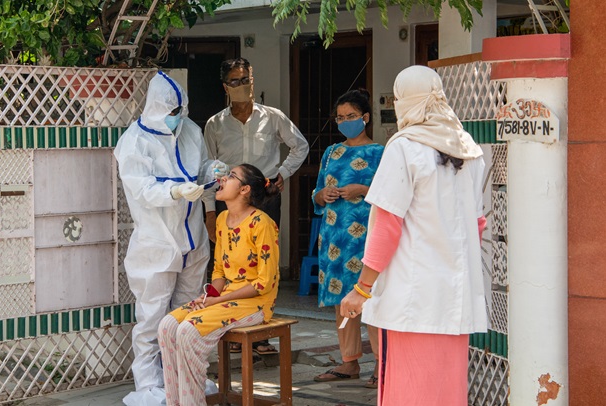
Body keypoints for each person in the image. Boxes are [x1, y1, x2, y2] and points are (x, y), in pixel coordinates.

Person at [340, 65, 488, 405]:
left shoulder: (404, 148)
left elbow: (387, 226)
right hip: (454, 296)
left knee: (408, 390)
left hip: (411, 297)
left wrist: (362, 289)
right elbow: (477, 225)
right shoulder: (469, 150)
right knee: (447, 390)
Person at [114, 71, 228, 406]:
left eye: (182, 110)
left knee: (188, 313)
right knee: (152, 318)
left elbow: (203, 167)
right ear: (156, 107)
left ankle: (186, 376)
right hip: (157, 242)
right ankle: (149, 384)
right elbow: (141, 188)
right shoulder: (134, 142)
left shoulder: (189, 130)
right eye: (173, 111)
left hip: (193, 238)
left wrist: (213, 172)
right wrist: (175, 190)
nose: (179, 117)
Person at [204, 57, 308, 354]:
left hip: (265, 197)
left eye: (247, 79)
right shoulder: (215, 124)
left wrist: (282, 173)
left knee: (265, 266)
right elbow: (208, 169)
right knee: (230, 264)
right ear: (226, 87)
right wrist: (211, 213)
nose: (243, 86)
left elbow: (300, 145)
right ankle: (232, 326)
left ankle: (260, 334)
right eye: (235, 81)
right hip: (230, 201)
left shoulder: (272, 117)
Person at [158, 163, 281, 406]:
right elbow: (219, 270)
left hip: (255, 303)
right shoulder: (223, 219)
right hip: (225, 297)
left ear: (244, 189)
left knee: (189, 331)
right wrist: (210, 295)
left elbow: (264, 283)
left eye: (231, 176)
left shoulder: (263, 224)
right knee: (167, 325)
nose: (222, 179)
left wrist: (217, 300)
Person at [311, 89, 384, 388]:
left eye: (350, 116)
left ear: (365, 118)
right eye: (340, 118)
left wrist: (363, 191)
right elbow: (315, 193)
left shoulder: (381, 153)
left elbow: (392, 193)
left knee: (373, 300)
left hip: (368, 237)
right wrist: (321, 195)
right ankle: (349, 361)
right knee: (342, 301)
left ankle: (382, 364)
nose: (344, 122)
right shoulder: (331, 153)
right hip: (333, 238)